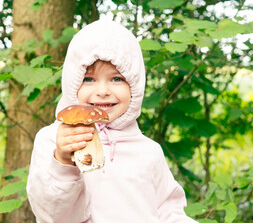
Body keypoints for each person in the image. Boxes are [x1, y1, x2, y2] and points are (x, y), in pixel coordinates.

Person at [27, 19, 197, 223]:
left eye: (116, 79)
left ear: (134, 84)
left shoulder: (148, 151)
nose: (102, 92)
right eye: (88, 79)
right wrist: (63, 161)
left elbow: (170, 213)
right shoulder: (54, 141)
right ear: (72, 82)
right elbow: (53, 215)